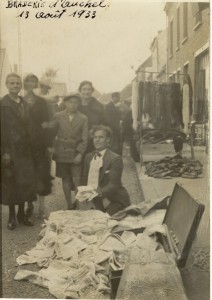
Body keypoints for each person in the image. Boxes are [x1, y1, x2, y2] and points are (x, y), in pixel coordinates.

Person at [1, 73, 36, 229]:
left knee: (25, 182)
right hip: (11, 150)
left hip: (25, 151)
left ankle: (22, 214)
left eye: (17, 83)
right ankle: (12, 216)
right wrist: (5, 152)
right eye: (12, 83)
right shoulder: (3, 104)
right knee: (11, 183)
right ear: (7, 85)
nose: (15, 86)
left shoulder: (25, 104)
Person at [42, 94, 88, 209]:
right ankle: (69, 205)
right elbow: (50, 132)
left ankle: (79, 203)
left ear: (79, 104)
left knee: (77, 180)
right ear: (65, 103)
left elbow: (85, 139)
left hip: (75, 153)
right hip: (62, 153)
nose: (73, 105)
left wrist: (80, 154)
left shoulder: (83, 118)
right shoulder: (58, 116)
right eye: (70, 102)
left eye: (76, 102)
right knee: (65, 179)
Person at [81, 125, 130, 216]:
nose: (97, 140)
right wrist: (86, 197)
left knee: (105, 222)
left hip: (113, 200)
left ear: (108, 140)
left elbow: (114, 185)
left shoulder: (115, 158)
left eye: (101, 137)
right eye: (95, 137)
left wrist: (97, 194)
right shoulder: (88, 157)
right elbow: (84, 179)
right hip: (95, 199)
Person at [23, 74, 52, 219]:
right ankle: (29, 205)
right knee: (28, 175)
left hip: (40, 144)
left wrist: (48, 145)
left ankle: (42, 207)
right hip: (24, 144)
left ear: (36, 84)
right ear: (25, 83)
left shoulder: (42, 101)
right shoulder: (20, 100)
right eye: (28, 80)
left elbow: (47, 125)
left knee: (42, 175)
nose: (31, 83)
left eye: (33, 81)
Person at [78, 81, 105, 153]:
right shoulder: (74, 104)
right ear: (80, 90)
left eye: (89, 89)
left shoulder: (99, 106)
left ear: (92, 91)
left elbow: (103, 123)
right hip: (75, 140)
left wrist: (94, 130)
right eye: (84, 89)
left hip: (92, 140)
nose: (86, 92)